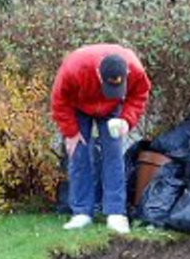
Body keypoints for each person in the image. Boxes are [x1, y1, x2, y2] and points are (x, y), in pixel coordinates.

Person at [51, 43, 151, 234]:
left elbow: (139, 95)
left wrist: (126, 121)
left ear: (126, 74)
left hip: (112, 109)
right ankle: (82, 213)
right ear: (98, 73)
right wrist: (71, 131)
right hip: (79, 106)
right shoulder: (74, 68)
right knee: (79, 154)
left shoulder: (135, 69)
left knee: (113, 154)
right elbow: (59, 100)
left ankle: (116, 213)